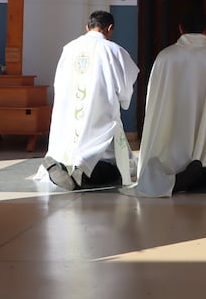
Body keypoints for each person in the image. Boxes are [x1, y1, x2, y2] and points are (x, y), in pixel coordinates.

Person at [124, 8, 206, 197]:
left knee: (159, 166)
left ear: (180, 29)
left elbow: (153, 100)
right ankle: (199, 173)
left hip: (169, 145)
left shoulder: (165, 57)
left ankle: (175, 177)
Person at [41, 10, 139, 191]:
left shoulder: (69, 48)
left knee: (70, 151)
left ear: (87, 27)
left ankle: (61, 166)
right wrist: (123, 99)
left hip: (70, 119)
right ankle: (83, 174)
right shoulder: (115, 50)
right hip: (99, 118)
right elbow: (126, 85)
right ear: (110, 29)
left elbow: (59, 83)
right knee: (119, 168)